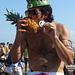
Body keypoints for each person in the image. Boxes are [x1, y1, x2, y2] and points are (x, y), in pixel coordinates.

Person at [11, 0, 74, 75]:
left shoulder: (60, 28)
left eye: (33, 13)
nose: (30, 16)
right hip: (33, 73)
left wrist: (55, 38)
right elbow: (14, 60)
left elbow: (69, 60)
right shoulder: (26, 32)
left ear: (46, 15)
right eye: (28, 13)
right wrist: (18, 35)